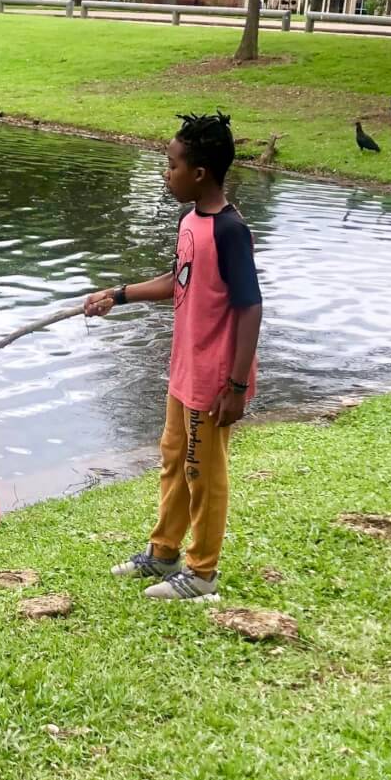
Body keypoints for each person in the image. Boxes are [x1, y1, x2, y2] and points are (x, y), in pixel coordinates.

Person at [86, 112, 263, 602]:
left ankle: (202, 572)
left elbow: (250, 307)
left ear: (199, 173)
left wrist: (236, 384)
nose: (166, 174)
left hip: (214, 378)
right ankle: (164, 551)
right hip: (183, 369)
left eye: (171, 165)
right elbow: (178, 281)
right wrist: (117, 295)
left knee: (203, 473)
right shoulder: (190, 221)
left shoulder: (230, 231)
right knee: (174, 461)